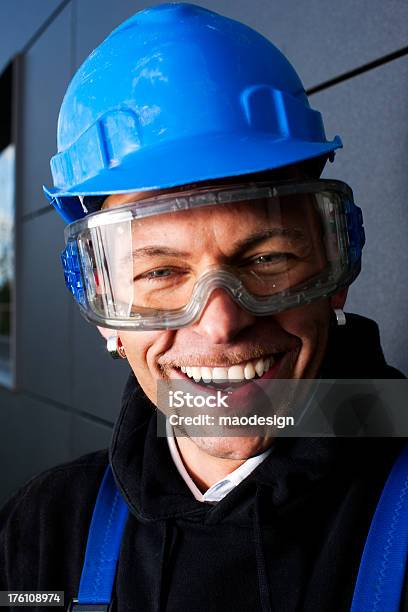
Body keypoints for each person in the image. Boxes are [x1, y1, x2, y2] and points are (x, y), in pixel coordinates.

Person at [0, 4, 406, 611]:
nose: (220, 322)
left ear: (333, 275)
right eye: (161, 272)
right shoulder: (44, 535)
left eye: (268, 260)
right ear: (109, 318)